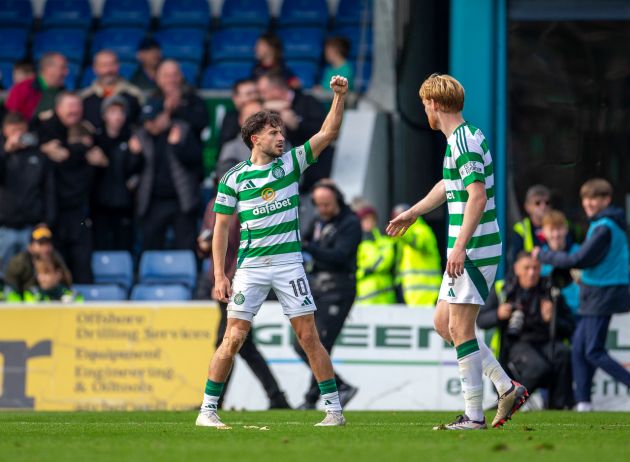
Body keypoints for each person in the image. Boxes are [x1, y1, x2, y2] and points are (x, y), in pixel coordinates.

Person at [196, 75, 350, 428]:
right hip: (249, 268)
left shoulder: (291, 163)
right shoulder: (234, 178)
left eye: (282, 132)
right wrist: (221, 275)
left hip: (288, 264)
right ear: (255, 138)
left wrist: (338, 98)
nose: (282, 138)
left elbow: (327, 134)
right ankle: (207, 411)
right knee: (232, 337)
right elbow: (220, 228)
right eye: (274, 133)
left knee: (309, 336)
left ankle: (334, 410)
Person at [387, 73, 527, 430]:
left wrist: (460, 246)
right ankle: (506, 386)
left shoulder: (462, 143)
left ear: (434, 104)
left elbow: (477, 196)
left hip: (475, 244)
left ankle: (474, 415)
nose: (424, 111)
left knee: (460, 328)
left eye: (424, 105)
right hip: (468, 243)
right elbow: (451, 187)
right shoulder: (460, 139)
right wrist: (414, 212)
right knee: (443, 324)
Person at [534, 178, 630, 412]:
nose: (588, 203)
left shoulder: (604, 227)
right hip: (597, 291)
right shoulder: (604, 224)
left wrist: (544, 256)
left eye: (594, 198)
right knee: (579, 348)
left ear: (606, 200)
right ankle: (583, 402)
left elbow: (579, 260)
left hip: (602, 292)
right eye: (585, 198)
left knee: (593, 351)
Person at [198, 197, 291, 410]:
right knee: (242, 346)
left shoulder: (245, 206)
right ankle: (276, 397)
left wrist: (226, 279)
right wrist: (203, 246)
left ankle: (214, 401)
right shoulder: (213, 205)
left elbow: (248, 248)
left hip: (238, 282)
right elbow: (211, 243)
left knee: (228, 342)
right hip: (222, 281)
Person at [295, 180, 361, 408]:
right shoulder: (317, 221)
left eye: (327, 204)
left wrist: (309, 248)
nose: (323, 209)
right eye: (319, 205)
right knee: (306, 343)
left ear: (338, 201)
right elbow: (302, 239)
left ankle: (312, 398)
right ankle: (333, 388)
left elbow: (340, 255)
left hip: (339, 288)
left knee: (320, 344)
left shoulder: (351, 223)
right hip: (318, 287)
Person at [477, 252, 575, 409]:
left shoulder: (551, 291)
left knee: (563, 354)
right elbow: (481, 321)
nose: (531, 272)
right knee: (538, 366)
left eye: (535, 268)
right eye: (527, 268)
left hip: (545, 341)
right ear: (516, 269)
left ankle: (558, 409)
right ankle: (508, 401)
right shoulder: (502, 289)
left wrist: (552, 318)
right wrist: (498, 314)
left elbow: (570, 327)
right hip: (515, 344)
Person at [36, 92, 106, 283]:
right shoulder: (45, 131)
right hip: (52, 212)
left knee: (82, 262)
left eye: (77, 107)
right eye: (70, 107)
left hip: (81, 212)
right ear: (58, 109)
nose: (74, 111)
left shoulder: (88, 130)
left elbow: (101, 159)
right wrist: (43, 150)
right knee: (56, 262)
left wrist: (95, 158)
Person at [135, 98, 203, 252]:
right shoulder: (141, 136)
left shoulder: (184, 131)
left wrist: (177, 146)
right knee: (150, 247)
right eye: (146, 121)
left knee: (185, 247)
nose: (149, 125)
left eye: (153, 120)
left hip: (182, 200)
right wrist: (133, 154)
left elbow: (196, 163)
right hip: (153, 201)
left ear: (164, 115)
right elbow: (133, 169)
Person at [257, 72, 332, 193]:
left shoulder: (308, 102)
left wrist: (298, 124)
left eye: (264, 92)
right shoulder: (266, 108)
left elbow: (325, 132)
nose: (261, 96)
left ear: (276, 90)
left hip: (313, 172)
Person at [0, 112, 55, 274]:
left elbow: (48, 191)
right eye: (13, 131)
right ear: (5, 131)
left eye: (21, 130)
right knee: (4, 273)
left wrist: (47, 220)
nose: (18, 135)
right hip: (4, 227)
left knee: (33, 271)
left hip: (31, 226)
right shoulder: (2, 154)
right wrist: (6, 151)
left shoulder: (38, 155)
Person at [91, 96, 144, 251]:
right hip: (99, 203)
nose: (118, 116)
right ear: (104, 115)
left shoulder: (131, 137)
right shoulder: (95, 138)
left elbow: (137, 170)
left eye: (121, 112)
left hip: (124, 203)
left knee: (124, 245)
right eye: (113, 111)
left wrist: (135, 155)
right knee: (100, 244)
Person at [390, 203, 442, 307]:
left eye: (400, 217)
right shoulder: (402, 239)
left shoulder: (423, 231)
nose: (397, 220)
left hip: (428, 296)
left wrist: (400, 232)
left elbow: (419, 242)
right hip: (411, 296)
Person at [80, 50, 144, 129]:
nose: (109, 70)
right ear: (95, 68)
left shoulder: (135, 94)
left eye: (112, 64)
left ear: (118, 66)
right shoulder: (84, 97)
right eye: (104, 65)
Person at [4, 225, 72, 298]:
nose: (46, 248)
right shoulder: (19, 262)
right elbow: (10, 287)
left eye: (48, 243)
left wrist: (55, 283)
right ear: (30, 246)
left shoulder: (55, 257)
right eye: (41, 244)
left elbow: (67, 282)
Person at [153, 60, 209, 140]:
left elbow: (202, 123)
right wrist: (166, 111)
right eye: (166, 76)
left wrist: (179, 108)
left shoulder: (193, 99)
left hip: (187, 148)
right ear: (158, 79)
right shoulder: (152, 99)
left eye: (174, 75)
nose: (171, 80)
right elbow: (144, 125)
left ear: (181, 77)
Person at [5, 52, 68, 121]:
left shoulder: (64, 93)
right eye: (62, 68)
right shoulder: (22, 89)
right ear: (48, 68)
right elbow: (11, 120)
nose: (66, 72)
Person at [540, 210, 580, 315]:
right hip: (550, 316)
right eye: (551, 230)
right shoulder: (538, 257)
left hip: (578, 312)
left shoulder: (580, 254)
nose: (556, 234)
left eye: (559, 229)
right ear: (543, 232)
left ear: (566, 229)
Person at [355, 205, 396, 304]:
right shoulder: (354, 242)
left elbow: (382, 263)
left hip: (386, 298)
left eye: (371, 219)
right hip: (364, 296)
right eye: (364, 219)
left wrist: (366, 269)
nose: (368, 222)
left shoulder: (385, 241)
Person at [214, 100, 265, 181]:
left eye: (261, 116)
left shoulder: (279, 143)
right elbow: (226, 183)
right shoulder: (231, 148)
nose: (257, 121)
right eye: (251, 116)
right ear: (240, 120)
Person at [509, 184, 551, 267]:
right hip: (532, 275)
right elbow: (515, 261)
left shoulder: (559, 226)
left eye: (547, 202)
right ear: (527, 207)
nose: (543, 206)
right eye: (537, 203)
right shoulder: (520, 229)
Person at [13, 258, 81, 303]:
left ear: (58, 274)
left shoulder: (73, 295)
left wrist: (69, 304)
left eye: (46, 273)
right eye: (39, 273)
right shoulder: (31, 294)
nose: (41, 278)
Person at [218, 79, 260, 152]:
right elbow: (226, 148)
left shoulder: (271, 113)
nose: (254, 97)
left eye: (256, 92)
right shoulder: (231, 118)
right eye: (249, 94)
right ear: (236, 99)